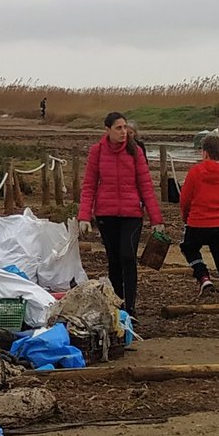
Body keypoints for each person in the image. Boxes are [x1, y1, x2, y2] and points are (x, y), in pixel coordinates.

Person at [78, 111, 162, 317]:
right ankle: (117, 308)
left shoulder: (135, 152)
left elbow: (146, 186)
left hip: (132, 213)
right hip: (106, 214)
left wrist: (156, 219)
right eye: (119, 128)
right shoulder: (97, 152)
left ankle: (130, 308)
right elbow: (89, 185)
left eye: (125, 127)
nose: (124, 132)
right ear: (107, 130)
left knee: (127, 256)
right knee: (114, 261)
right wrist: (84, 216)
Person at [177, 132, 219, 325]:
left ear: (204, 153)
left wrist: (187, 217)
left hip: (199, 222)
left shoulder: (195, 172)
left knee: (188, 247)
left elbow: (185, 199)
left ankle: (202, 275)